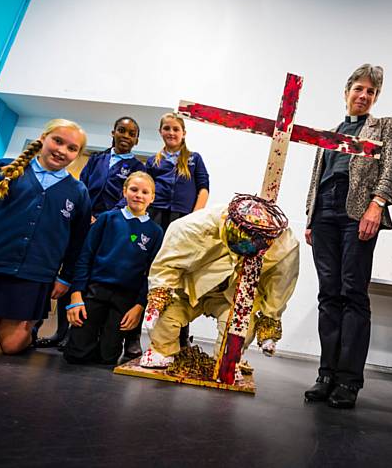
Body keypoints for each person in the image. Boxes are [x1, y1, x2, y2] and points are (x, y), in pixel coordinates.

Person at [0, 119, 91, 354]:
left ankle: (26, 327)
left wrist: (65, 277)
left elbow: (78, 241)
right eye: (57, 141)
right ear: (43, 138)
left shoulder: (78, 192)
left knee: (12, 347)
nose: (62, 150)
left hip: (35, 276)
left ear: (77, 155)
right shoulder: (3, 170)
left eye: (72, 148)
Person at [303, 64, 392, 409]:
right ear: (346, 93)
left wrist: (377, 205)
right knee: (328, 294)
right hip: (325, 213)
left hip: (358, 211)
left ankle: (348, 380)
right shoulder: (329, 133)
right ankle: (326, 374)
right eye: (358, 89)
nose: (364, 96)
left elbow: (390, 169)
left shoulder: (384, 126)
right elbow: (319, 176)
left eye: (371, 92)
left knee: (352, 292)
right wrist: (311, 217)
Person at [138, 194, 299, 371]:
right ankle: (162, 351)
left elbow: (279, 286)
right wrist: (157, 300)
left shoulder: (285, 246)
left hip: (232, 297)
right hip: (190, 287)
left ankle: (227, 362)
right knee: (164, 318)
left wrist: (270, 322)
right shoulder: (192, 227)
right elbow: (167, 264)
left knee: (241, 330)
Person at [35, 116, 145, 356]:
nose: (125, 136)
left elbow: (127, 195)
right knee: (72, 271)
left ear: (136, 140)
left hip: (110, 225)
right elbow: (81, 186)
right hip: (82, 221)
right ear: (113, 132)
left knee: (92, 277)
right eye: (121, 130)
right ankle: (60, 332)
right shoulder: (97, 159)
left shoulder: (138, 167)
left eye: (131, 133)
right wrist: (84, 213)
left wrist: (105, 217)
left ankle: (80, 334)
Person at [63, 171, 163, 365]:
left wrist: (139, 306)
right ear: (124, 191)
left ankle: (106, 344)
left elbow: (152, 273)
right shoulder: (107, 219)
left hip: (125, 299)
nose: (138, 195)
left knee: (107, 357)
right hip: (95, 290)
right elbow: (85, 256)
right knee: (76, 355)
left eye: (145, 192)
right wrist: (76, 294)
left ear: (152, 198)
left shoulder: (155, 232)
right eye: (133, 189)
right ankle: (81, 339)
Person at [143, 112, 211, 349]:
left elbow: (203, 188)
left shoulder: (194, 159)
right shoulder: (153, 161)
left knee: (181, 274)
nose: (171, 133)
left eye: (176, 129)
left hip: (183, 220)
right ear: (161, 131)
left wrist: (193, 219)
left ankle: (181, 338)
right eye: (167, 128)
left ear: (183, 133)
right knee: (154, 268)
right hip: (157, 216)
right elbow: (145, 187)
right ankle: (146, 331)